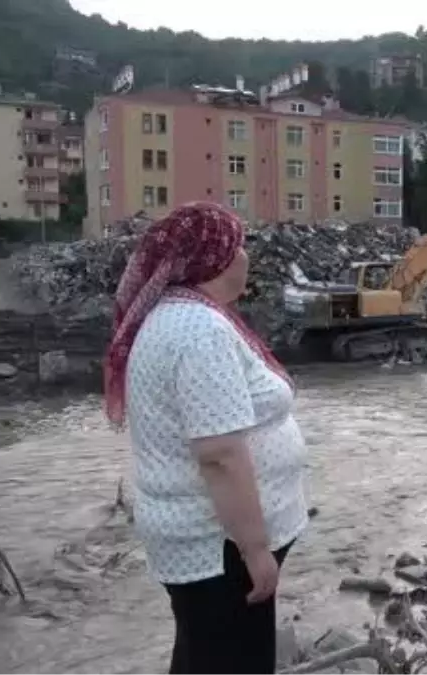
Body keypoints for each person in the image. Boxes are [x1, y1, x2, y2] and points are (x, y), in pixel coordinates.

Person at [103, 201, 309, 674]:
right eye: (240, 246)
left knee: (205, 654)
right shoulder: (199, 331)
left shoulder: (178, 316)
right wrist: (255, 549)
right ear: (216, 259)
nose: (246, 257)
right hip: (221, 546)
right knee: (232, 660)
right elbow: (219, 454)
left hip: (209, 540)